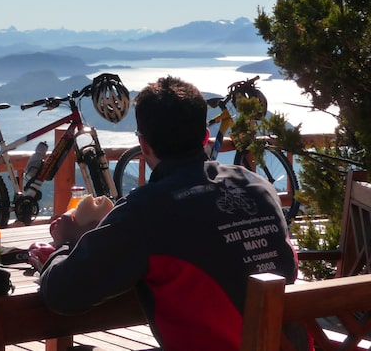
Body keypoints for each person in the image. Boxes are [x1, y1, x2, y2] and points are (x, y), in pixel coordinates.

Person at [36, 76, 301, 351]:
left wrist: (66, 242)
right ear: (205, 137)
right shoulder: (257, 185)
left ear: (144, 145)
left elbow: (62, 295)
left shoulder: (147, 210)